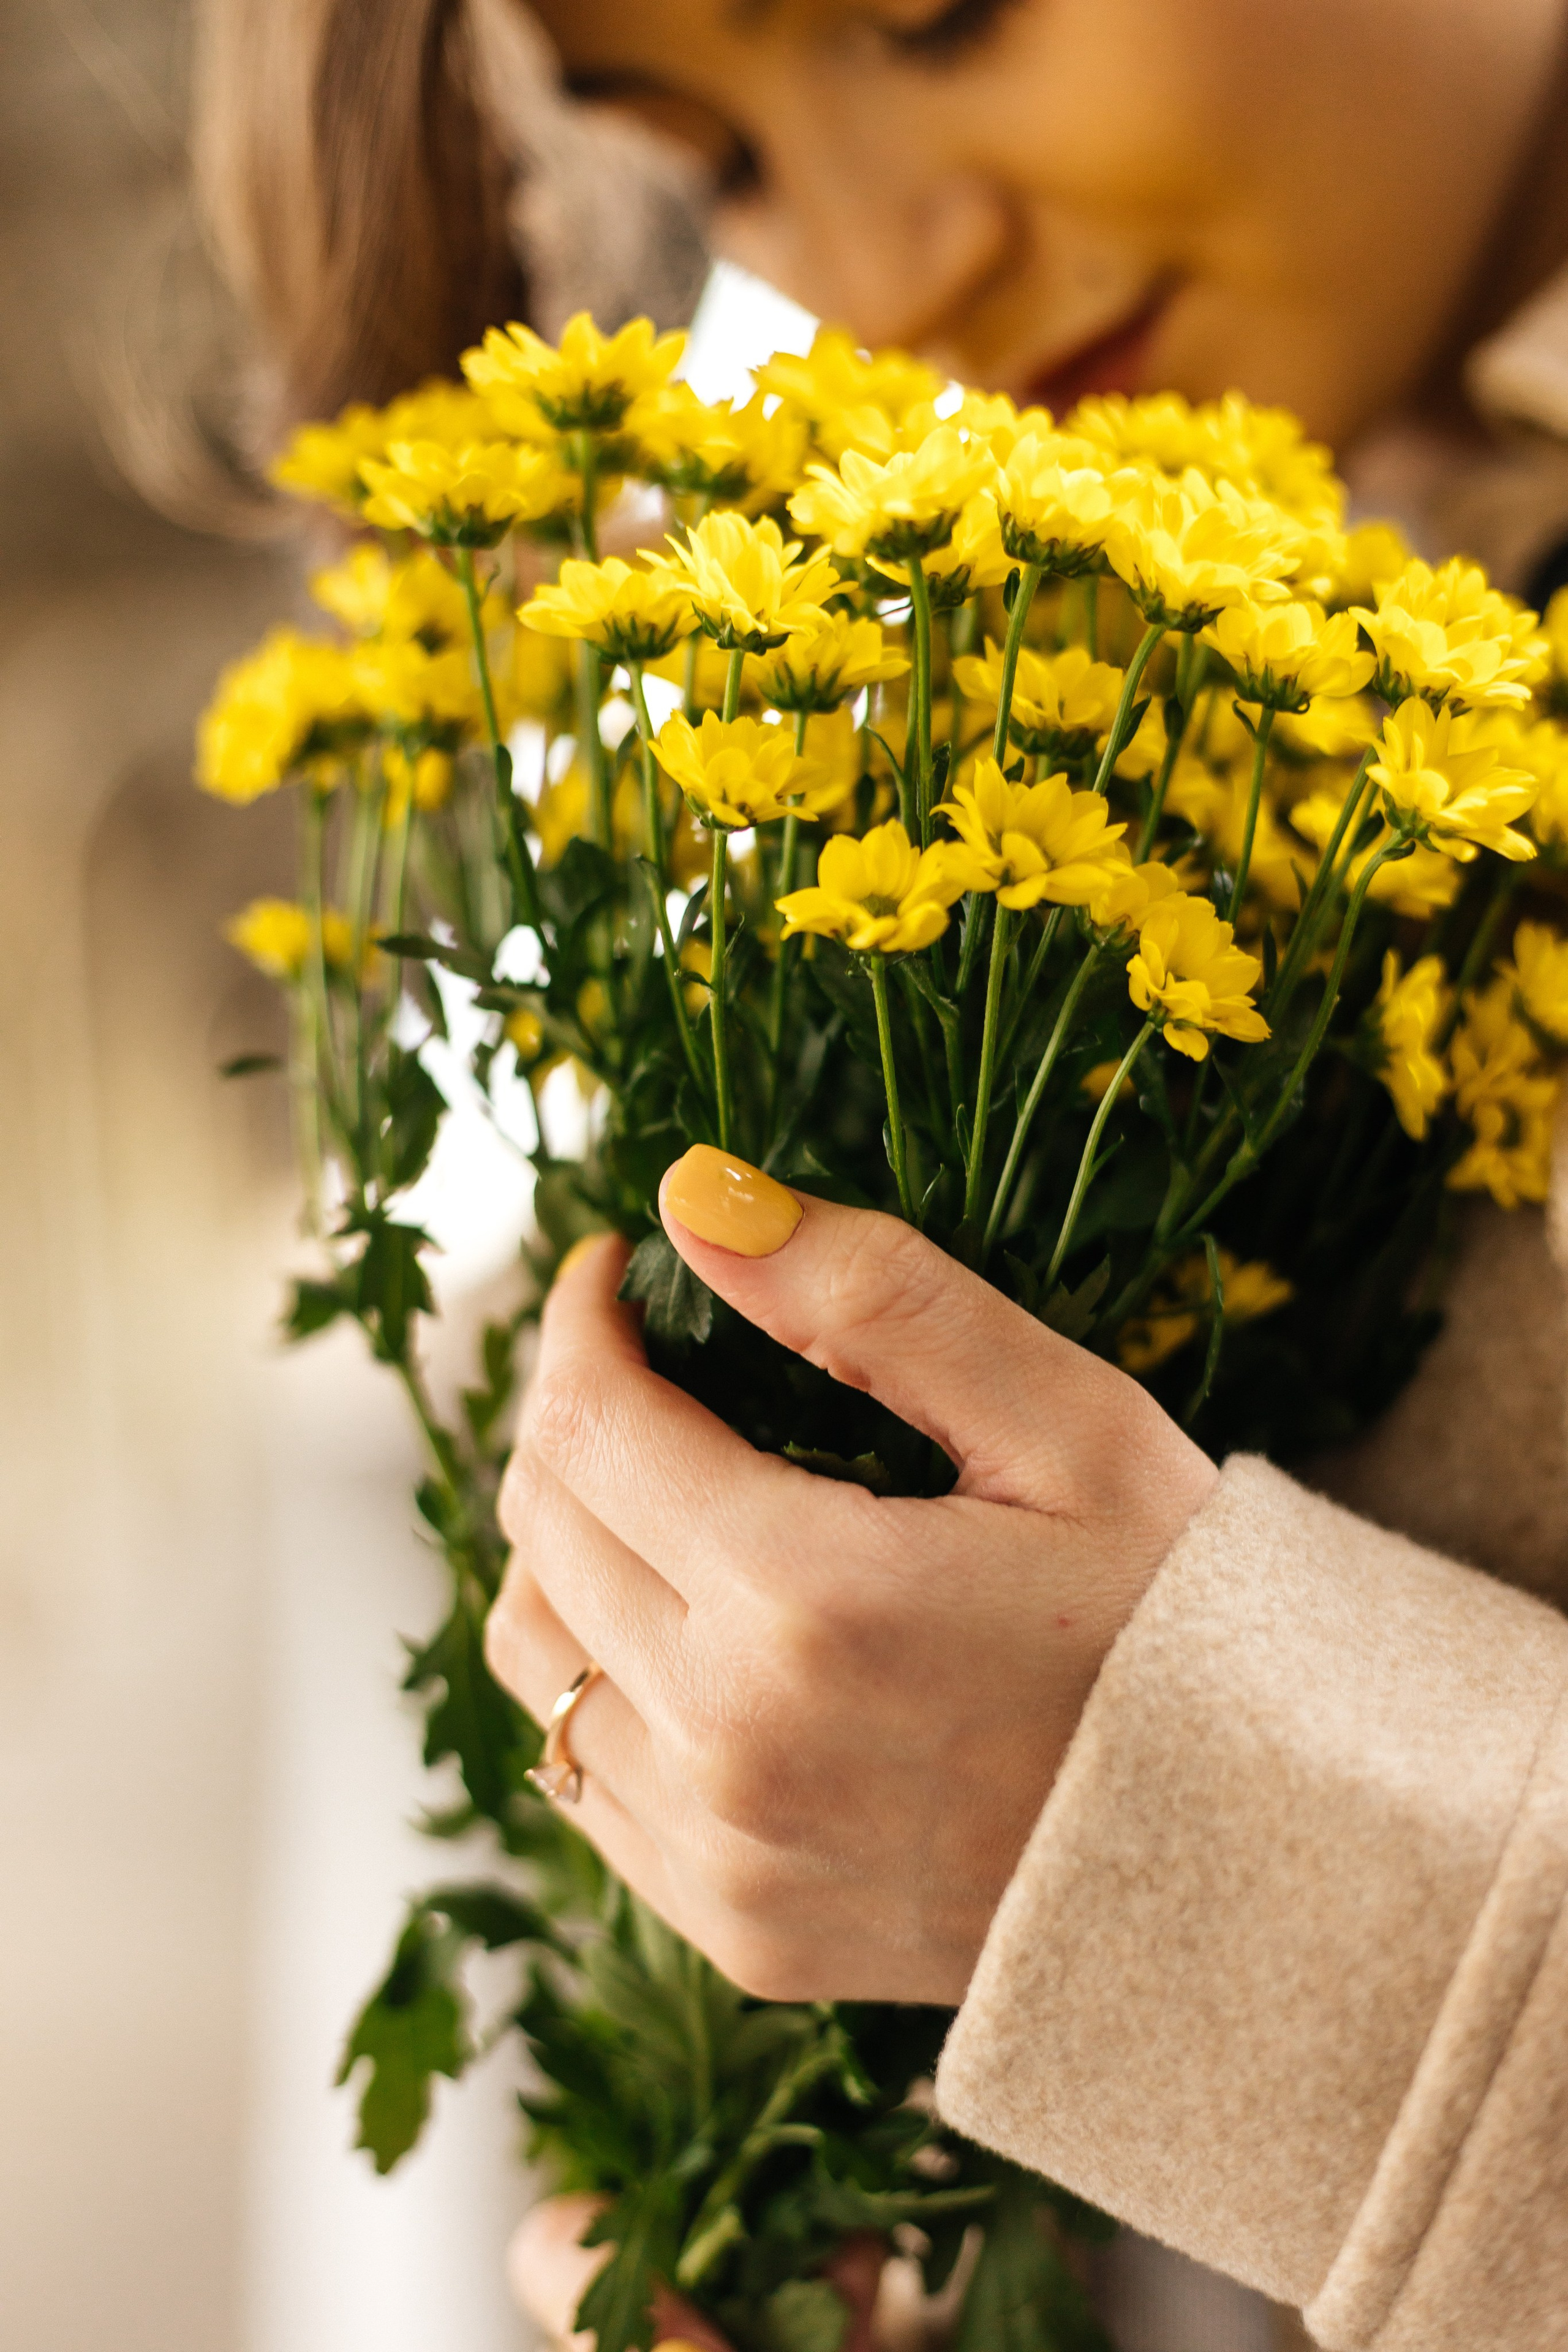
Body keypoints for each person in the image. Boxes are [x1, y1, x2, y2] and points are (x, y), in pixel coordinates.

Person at [200, 4, 1568, 2345]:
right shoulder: (1237, 639)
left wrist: (1199, 1850)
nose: (888, 263)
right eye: (719, 158)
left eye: (938, 9)